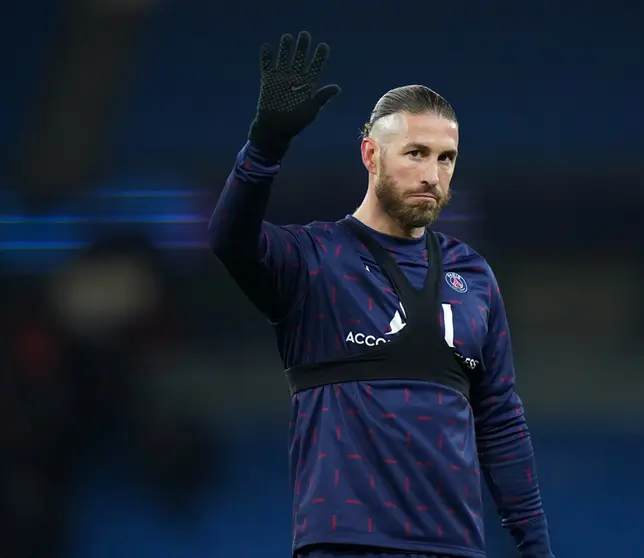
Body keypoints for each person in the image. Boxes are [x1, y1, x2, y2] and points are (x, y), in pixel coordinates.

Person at [208, 31, 554, 558]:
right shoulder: (313, 258)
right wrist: (264, 147)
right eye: (415, 153)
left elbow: (501, 422)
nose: (433, 175)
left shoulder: (473, 275)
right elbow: (230, 240)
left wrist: (537, 549)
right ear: (370, 154)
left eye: (446, 158)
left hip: (455, 548)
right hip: (344, 545)